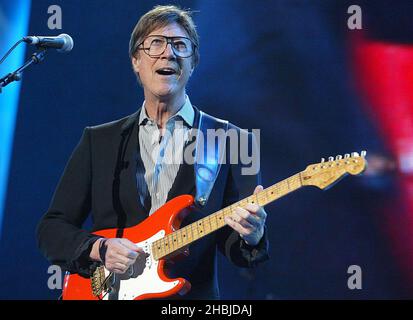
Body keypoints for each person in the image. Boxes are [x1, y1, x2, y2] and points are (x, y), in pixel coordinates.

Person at [36, 5, 269, 300]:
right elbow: (51, 229)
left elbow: (242, 254)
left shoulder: (234, 141)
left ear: (193, 63)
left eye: (180, 46)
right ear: (136, 61)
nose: (168, 53)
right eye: (155, 43)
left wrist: (252, 235)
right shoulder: (99, 140)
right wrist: (100, 248)